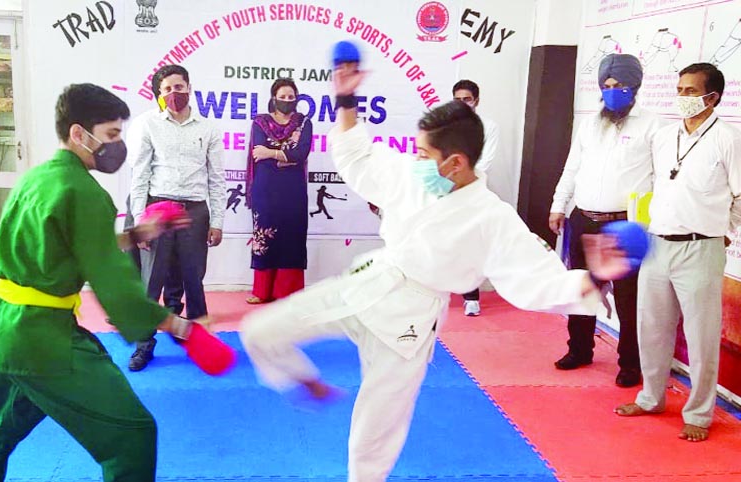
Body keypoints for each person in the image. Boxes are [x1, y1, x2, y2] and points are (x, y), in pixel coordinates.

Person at [241, 62, 635, 482]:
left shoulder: (492, 218)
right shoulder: (416, 173)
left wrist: (597, 276)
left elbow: (537, 279)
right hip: (367, 285)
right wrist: (346, 100)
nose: (416, 159)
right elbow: (359, 157)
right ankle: (305, 383)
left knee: (371, 440)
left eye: (424, 154)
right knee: (259, 331)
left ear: (456, 163)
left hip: (408, 326)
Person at [0, 83, 202, 482]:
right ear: (79, 133)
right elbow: (117, 288)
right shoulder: (85, 192)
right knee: (133, 435)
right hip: (41, 339)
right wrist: (181, 326)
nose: (118, 146)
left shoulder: (37, 178)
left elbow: (65, 245)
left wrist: (138, 234)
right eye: (111, 134)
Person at [615, 63, 741, 442]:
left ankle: (699, 414)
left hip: (700, 247)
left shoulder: (728, 139)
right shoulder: (664, 136)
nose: (682, 96)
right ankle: (651, 398)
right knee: (651, 328)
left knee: (701, 336)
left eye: (691, 91)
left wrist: (724, 231)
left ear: (712, 97)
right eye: (680, 89)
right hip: (658, 243)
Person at [548, 54, 664, 387]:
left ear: (635, 86)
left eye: (619, 85)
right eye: (607, 85)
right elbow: (572, 167)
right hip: (584, 219)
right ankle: (579, 349)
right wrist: (558, 205)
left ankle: (630, 363)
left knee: (628, 300)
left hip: (623, 226)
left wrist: (651, 222)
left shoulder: (653, 125)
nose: (612, 91)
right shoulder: (589, 124)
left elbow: (660, 178)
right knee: (583, 290)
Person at [128, 64, 227, 371]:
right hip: (158, 209)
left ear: (189, 88)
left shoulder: (208, 128)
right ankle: (144, 345)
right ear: (160, 94)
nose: (175, 93)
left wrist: (217, 221)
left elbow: (217, 179)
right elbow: (140, 174)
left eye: (179, 87)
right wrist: (139, 221)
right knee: (151, 283)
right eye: (168, 89)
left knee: (194, 282)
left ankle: (200, 344)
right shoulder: (148, 125)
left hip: (195, 212)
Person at [245, 78, 313, 305]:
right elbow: (258, 153)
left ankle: (287, 292)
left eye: (290, 97)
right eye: (282, 97)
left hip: (293, 190)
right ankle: (262, 291)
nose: (286, 100)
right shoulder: (260, 123)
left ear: (296, 99)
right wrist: (285, 155)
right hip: (266, 188)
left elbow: (301, 153)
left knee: (292, 236)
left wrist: (272, 152)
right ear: (273, 98)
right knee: (264, 235)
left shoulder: (304, 123)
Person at [452, 79, 501, 316]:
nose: (462, 104)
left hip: (472, 191)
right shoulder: (443, 126)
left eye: (467, 99)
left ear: (476, 101)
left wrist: (463, 180)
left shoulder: (488, 127)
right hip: (444, 189)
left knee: (469, 243)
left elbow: (485, 161)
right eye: (457, 100)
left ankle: (471, 297)